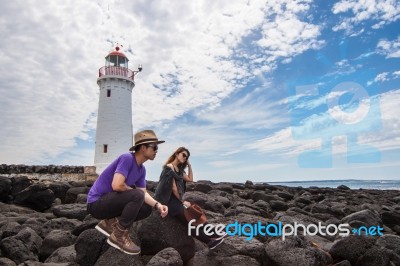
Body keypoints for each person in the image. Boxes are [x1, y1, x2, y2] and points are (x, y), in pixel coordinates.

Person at [87, 130, 168, 255]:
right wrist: (134, 192)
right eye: (154, 147)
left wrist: (158, 205)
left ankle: (109, 223)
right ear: (142, 148)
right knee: (137, 195)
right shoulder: (127, 158)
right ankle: (118, 235)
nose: (157, 151)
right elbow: (117, 185)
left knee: (146, 208)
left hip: (110, 203)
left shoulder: (142, 169)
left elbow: (143, 194)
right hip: (96, 203)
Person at [154, 147, 227, 249]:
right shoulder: (169, 167)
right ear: (176, 154)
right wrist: (182, 202)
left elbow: (190, 179)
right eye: (183, 155)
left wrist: (189, 165)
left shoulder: (179, 170)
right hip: (167, 200)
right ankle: (210, 241)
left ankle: (214, 233)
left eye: (186, 157)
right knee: (189, 220)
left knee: (194, 215)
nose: (185, 157)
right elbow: (174, 188)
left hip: (175, 200)